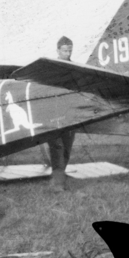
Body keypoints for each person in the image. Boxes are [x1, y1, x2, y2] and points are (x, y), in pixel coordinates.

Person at [48, 36, 76, 191]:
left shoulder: (74, 67)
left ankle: (60, 175)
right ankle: (58, 182)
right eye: (65, 50)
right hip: (54, 114)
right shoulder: (51, 68)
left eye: (70, 50)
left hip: (70, 114)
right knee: (56, 145)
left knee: (66, 146)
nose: (68, 53)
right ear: (58, 50)